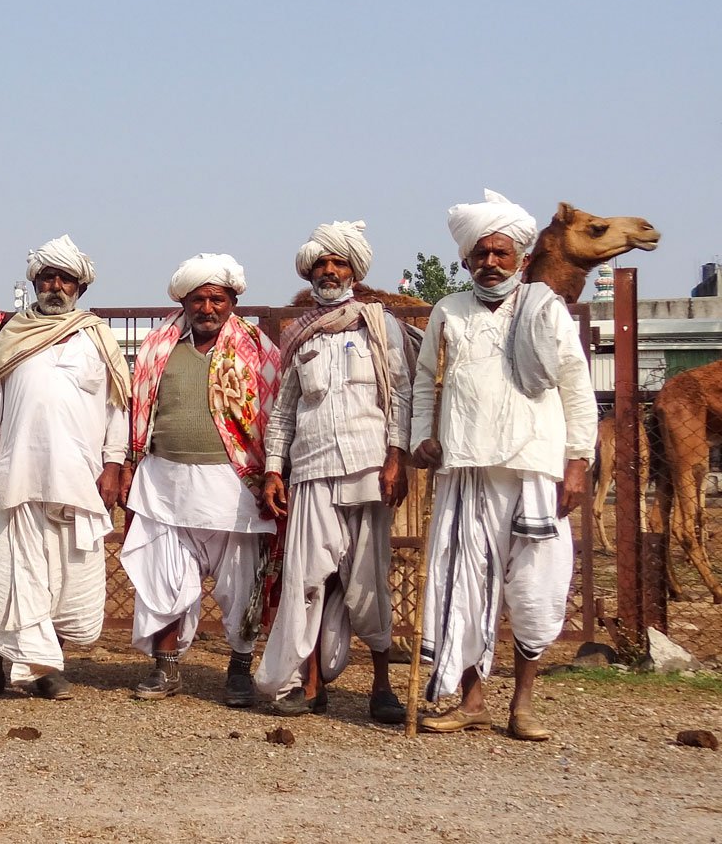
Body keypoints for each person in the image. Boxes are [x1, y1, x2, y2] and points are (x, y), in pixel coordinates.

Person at [414, 190, 595, 741]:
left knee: (536, 588)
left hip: (536, 467)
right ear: (466, 258)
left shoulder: (545, 308)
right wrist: (423, 434)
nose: (490, 263)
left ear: (518, 255)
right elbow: (425, 380)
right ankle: (471, 700)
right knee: (462, 585)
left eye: (501, 253)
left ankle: (523, 703)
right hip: (466, 467)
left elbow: (576, 384)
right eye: (480, 254)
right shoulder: (448, 310)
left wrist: (578, 462)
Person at [0, 235, 131, 700]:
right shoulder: (11, 334)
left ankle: (47, 671)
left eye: (65, 278)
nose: (55, 285)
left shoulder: (97, 338)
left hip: (77, 478)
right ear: (35, 281)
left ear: (79, 286)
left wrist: (113, 465)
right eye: (47, 277)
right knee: (6, 572)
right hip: (16, 475)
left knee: (63, 576)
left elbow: (118, 409)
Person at [254, 220, 410, 723]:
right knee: (308, 580)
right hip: (313, 468)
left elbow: (401, 397)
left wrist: (396, 458)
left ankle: (382, 687)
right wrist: (274, 470)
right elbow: (283, 409)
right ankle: (309, 684)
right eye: (320, 264)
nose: (328, 271)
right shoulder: (298, 334)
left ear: (353, 270)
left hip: (368, 467)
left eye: (337, 263)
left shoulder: (378, 323)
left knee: (368, 582)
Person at [119, 253, 281, 706]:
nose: (207, 308)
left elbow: (275, 416)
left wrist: (274, 473)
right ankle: (166, 670)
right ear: (184, 300)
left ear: (232, 301)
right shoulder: (157, 348)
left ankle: (239, 671)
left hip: (236, 487)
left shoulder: (259, 351)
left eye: (217, 299)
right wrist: (130, 463)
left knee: (241, 583)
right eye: (198, 299)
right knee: (164, 579)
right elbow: (138, 411)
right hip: (165, 482)